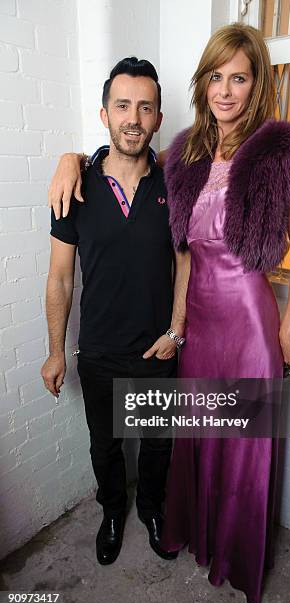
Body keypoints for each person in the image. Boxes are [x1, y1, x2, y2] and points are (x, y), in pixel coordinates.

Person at [47, 24, 290, 603]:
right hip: (196, 330)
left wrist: (289, 330)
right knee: (190, 441)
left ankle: (234, 553)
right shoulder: (188, 154)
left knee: (239, 446)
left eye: (238, 78)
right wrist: (72, 157)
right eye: (215, 77)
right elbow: (124, 151)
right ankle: (170, 528)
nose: (225, 90)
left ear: (256, 84)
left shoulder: (273, 157)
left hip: (246, 325)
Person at [41, 57, 187, 567]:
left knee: (155, 446)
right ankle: (111, 512)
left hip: (156, 350)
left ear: (158, 117)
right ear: (104, 114)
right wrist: (55, 352)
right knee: (104, 446)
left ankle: (150, 510)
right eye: (122, 105)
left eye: (145, 107)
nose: (134, 117)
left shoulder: (174, 185)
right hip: (98, 352)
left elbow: (186, 262)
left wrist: (176, 330)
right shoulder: (73, 188)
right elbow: (60, 278)